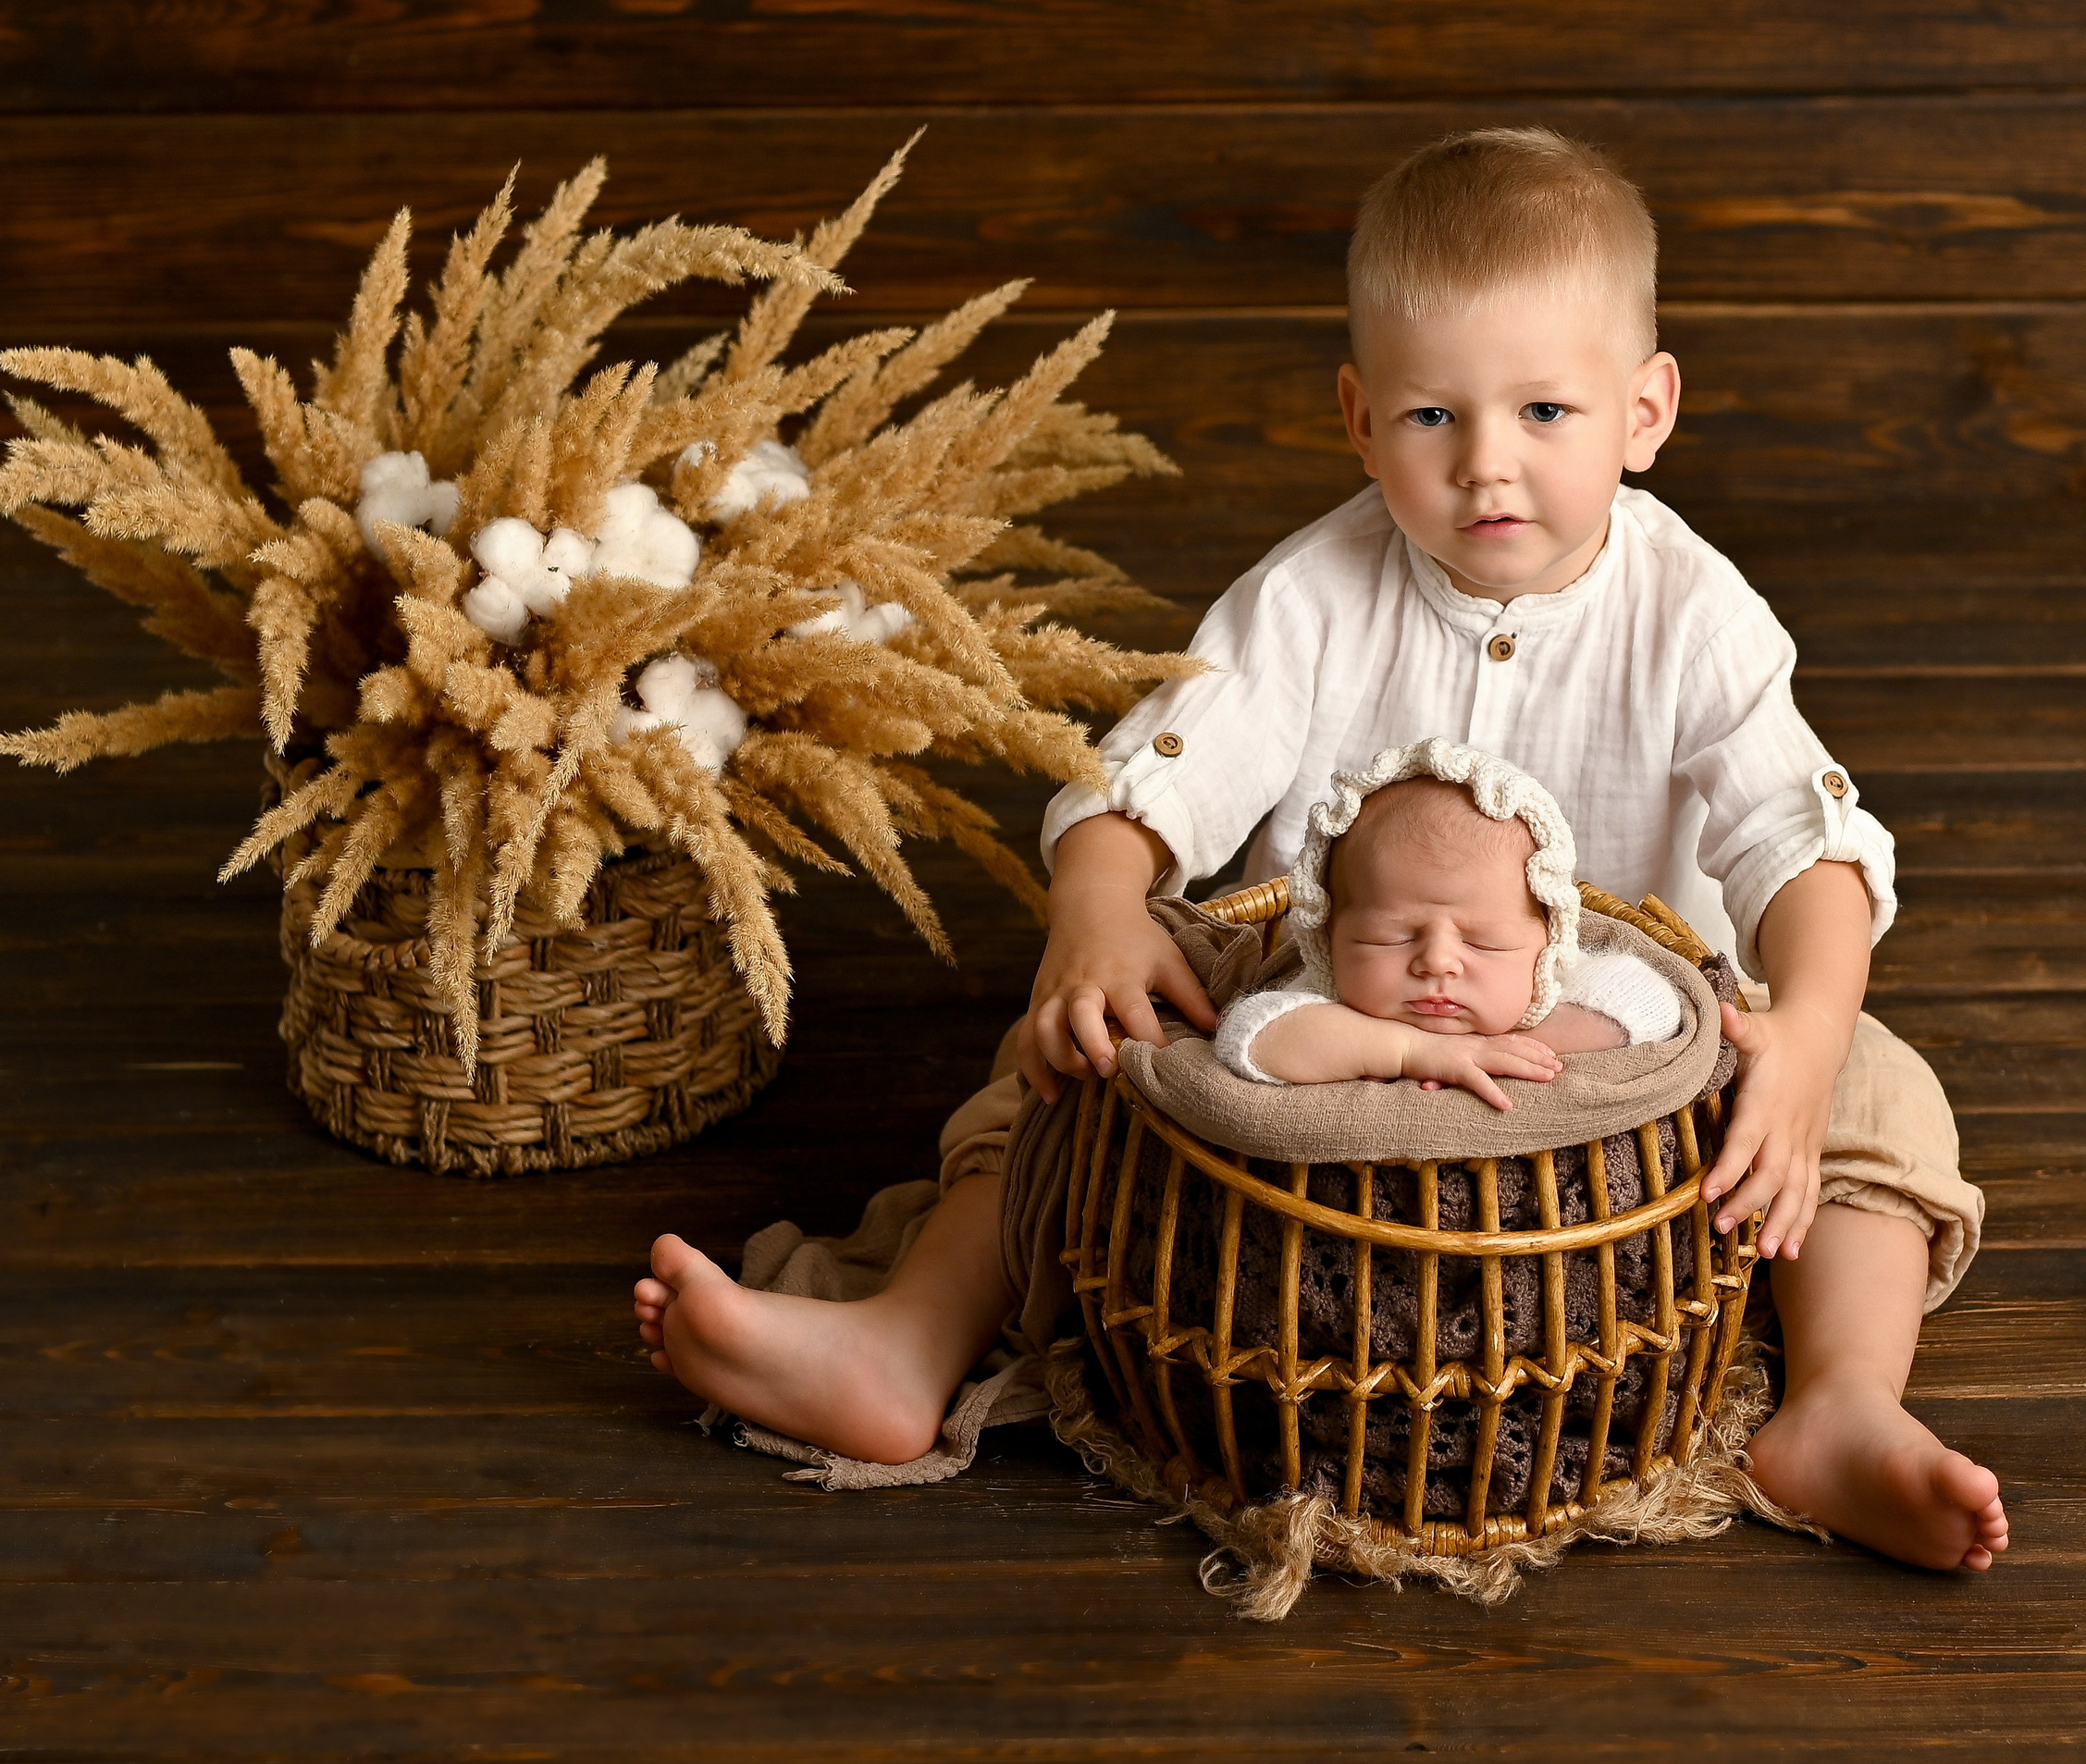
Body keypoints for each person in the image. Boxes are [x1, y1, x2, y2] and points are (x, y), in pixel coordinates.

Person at [638, 126, 2009, 1573]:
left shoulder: (1695, 613)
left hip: (1619, 1062)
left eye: (1546, 409)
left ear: (1645, 410)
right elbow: (1144, 784)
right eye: (1432, 415)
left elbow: (1806, 846)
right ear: (1360, 418)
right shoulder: (1306, 599)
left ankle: (1840, 1406)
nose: (1487, 464)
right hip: (1327, 1031)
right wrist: (1099, 914)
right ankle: (907, 1341)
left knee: (1872, 1081)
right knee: (1067, 1053)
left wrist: (1806, 1033)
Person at [1210, 740, 1684, 1102]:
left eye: (1484, 942)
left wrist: (1502, 1043)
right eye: (1389, 937)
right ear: (1329, 937)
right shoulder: (1326, 994)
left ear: (1548, 943)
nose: (1437, 962)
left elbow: (1653, 1005)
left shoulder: (1549, 988)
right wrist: (1412, 1051)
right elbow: (1247, 1038)